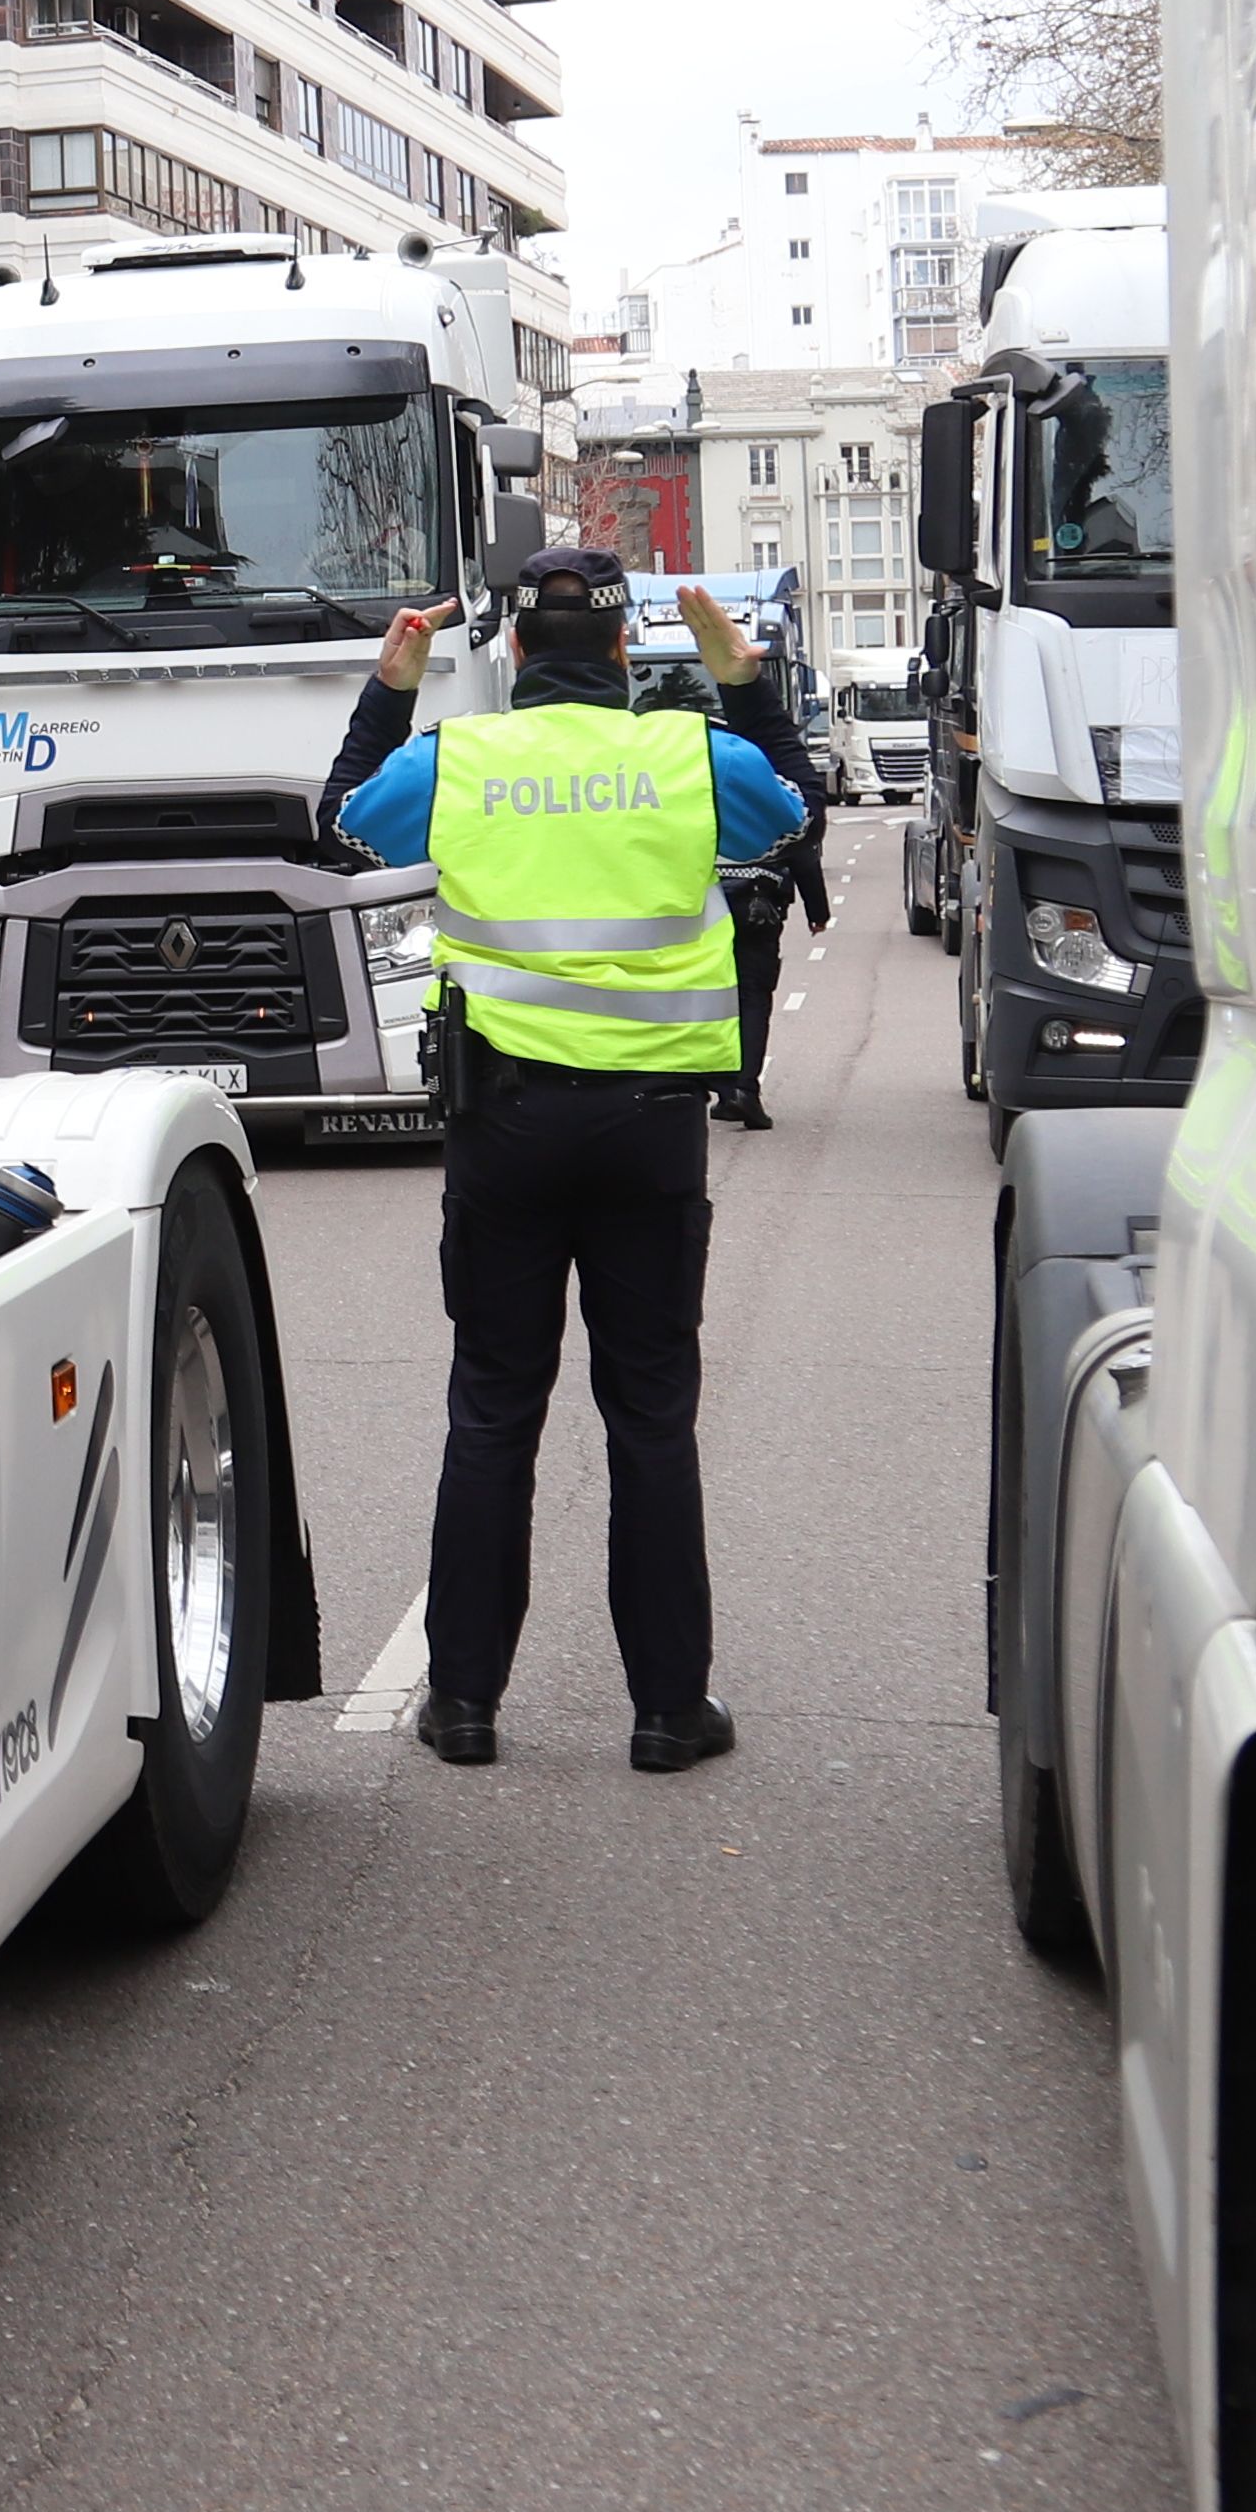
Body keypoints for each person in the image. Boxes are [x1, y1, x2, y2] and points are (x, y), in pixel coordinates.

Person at [325, 548, 812, 1772]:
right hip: (650, 1133)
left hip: (505, 1130)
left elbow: (341, 818)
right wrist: (742, 681)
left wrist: (394, 689)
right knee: (650, 1415)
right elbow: (799, 810)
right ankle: (666, 1711)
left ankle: (466, 1703)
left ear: (520, 653)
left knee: (493, 1409)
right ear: (621, 650)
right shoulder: (693, 757)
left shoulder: (461, 757)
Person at [680, 586, 830, 1130]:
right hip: (759, 899)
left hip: (703, 901)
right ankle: (743, 1086)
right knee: (752, 994)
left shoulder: (660, 781)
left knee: (708, 991)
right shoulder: (748, 773)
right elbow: (802, 832)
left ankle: (715, 1084)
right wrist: (818, 906)